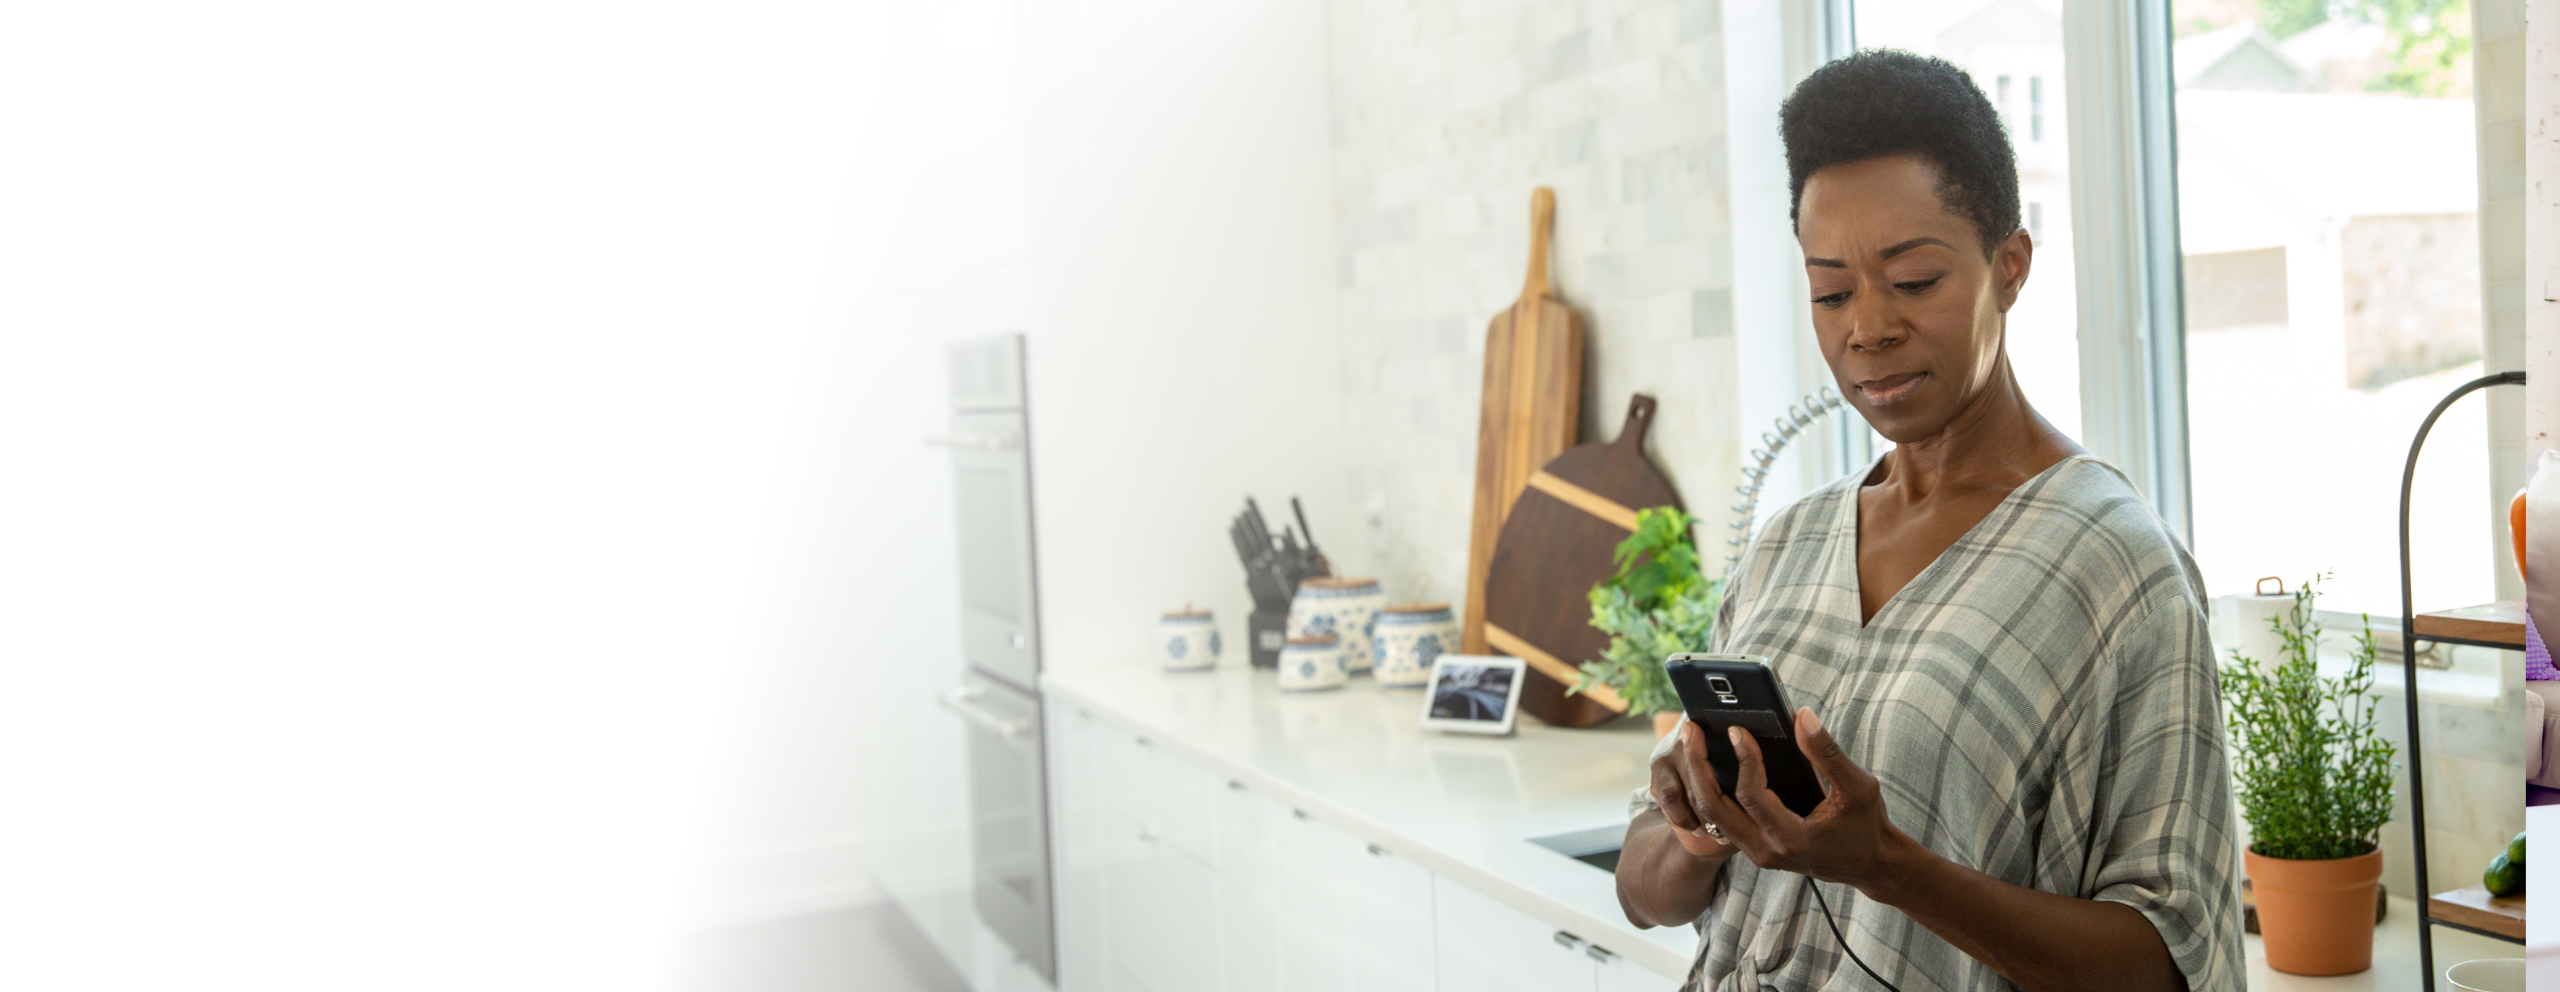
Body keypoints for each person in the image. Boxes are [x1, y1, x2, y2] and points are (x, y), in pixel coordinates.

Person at [1613, 50, 2241, 991]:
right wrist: (1703, 827)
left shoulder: (2115, 566)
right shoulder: (1787, 545)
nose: (1866, 328)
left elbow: (2164, 961)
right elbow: (1643, 891)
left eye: (1912, 281)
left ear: (2010, 266)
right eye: (1831, 292)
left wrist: (1889, 867)